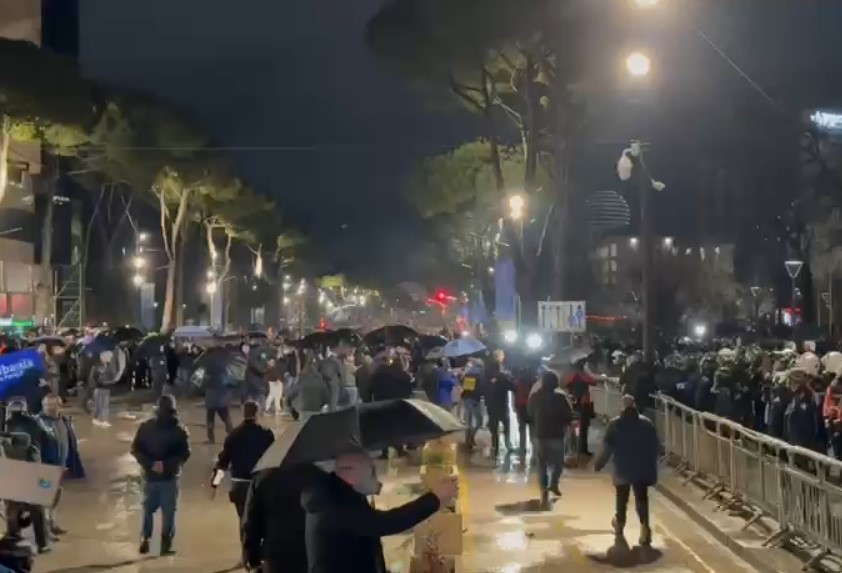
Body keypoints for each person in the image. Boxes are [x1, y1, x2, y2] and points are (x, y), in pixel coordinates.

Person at [301, 449, 459, 573]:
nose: (376, 477)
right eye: (371, 471)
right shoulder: (334, 506)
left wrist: (438, 501)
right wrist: (434, 498)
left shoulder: (342, 494)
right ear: (350, 472)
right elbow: (386, 523)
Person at [594, 394, 659, 547]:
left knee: (621, 496)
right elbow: (655, 447)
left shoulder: (615, 424)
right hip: (643, 467)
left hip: (622, 468)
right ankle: (645, 527)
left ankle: (620, 523)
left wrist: (598, 464)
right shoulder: (647, 423)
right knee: (641, 498)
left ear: (622, 407)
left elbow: (607, 449)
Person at [130, 394, 191, 555]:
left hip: (150, 477)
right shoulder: (179, 430)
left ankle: (145, 539)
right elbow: (185, 453)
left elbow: (135, 449)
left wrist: (150, 464)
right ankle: (165, 544)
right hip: (169, 477)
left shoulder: (145, 427)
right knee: (169, 512)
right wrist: (166, 465)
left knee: (147, 510)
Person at [242, 464, 326, 573]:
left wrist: (251, 556)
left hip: (275, 555)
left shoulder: (262, 479)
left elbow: (251, 524)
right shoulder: (319, 477)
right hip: (312, 553)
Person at [4, 398, 54, 553]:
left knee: (11, 507)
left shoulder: (5, 425)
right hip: (32, 469)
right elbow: (48, 438)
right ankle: (42, 544)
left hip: (11, 469)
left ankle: (13, 539)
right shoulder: (34, 423)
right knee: (37, 507)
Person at [213, 401, 275, 519]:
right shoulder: (267, 434)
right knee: (260, 520)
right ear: (258, 413)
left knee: (243, 520)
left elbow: (223, 462)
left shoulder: (233, 434)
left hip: (239, 485)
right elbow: (274, 460)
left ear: (243, 413)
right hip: (259, 484)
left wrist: (215, 483)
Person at [528, 371, 574, 509]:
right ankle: (553, 483)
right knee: (558, 463)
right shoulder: (560, 398)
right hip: (556, 435)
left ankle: (544, 491)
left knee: (542, 465)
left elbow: (530, 414)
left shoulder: (535, 397)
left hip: (540, 434)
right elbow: (568, 415)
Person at [35, 394, 71, 539]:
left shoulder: (63, 421)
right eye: (46, 405)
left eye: (52, 405)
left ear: (59, 406)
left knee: (56, 496)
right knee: (45, 499)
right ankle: (45, 531)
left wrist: (67, 464)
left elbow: (67, 443)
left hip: (60, 467)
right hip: (44, 468)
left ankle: (52, 524)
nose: (49, 408)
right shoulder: (38, 422)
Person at [287, 351, 331, 423]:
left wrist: (292, 409)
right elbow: (326, 398)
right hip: (316, 409)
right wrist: (319, 405)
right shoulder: (320, 381)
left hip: (302, 409)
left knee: (302, 427)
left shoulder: (301, 380)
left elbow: (290, 395)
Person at [485, 349, 514, 457]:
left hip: (491, 403)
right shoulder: (502, 376)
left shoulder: (487, 373)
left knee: (494, 425)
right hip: (502, 404)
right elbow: (512, 386)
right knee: (506, 424)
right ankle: (507, 444)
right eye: (502, 355)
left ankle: (495, 445)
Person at [89, 350, 116, 427]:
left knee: (105, 405)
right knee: (98, 404)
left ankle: (104, 420)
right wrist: (93, 387)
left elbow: (112, 376)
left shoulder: (109, 367)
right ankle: (96, 419)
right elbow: (92, 378)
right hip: (98, 388)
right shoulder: (96, 367)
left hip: (106, 387)